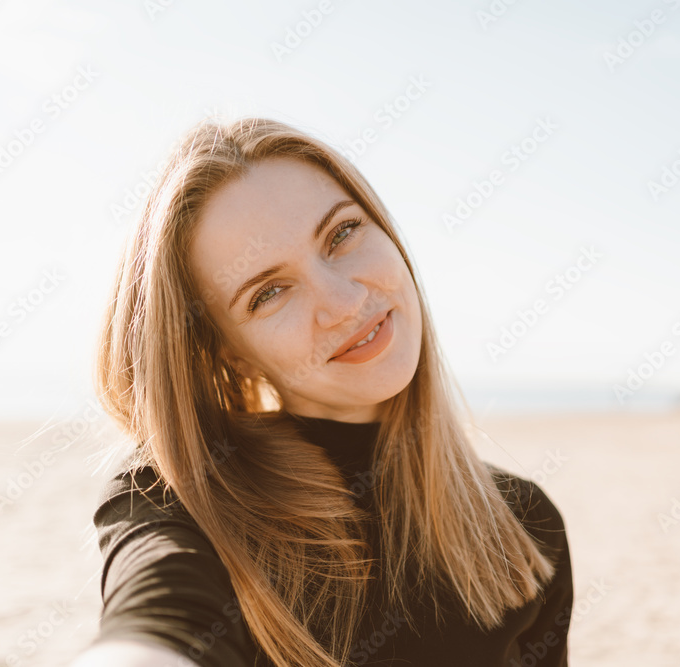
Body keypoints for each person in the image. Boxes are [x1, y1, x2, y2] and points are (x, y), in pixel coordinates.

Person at [71, 117, 574, 667]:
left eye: (341, 234)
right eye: (268, 293)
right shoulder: (183, 497)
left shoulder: (524, 522)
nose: (343, 301)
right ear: (230, 354)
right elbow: (157, 622)